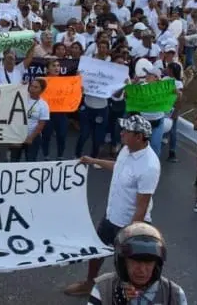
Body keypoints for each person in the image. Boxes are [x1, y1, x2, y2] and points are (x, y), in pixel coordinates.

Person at [64, 115, 161, 297]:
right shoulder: (127, 149)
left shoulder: (149, 166)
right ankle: (89, 284)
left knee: (125, 262)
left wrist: (131, 233)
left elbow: (142, 205)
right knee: (96, 252)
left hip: (129, 223)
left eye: (126, 131)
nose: (122, 133)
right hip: (111, 216)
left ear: (139, 137)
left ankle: (127, 295)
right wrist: (94, 161)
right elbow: (119, 166)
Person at [87, 223, 187, 305]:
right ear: (123, 263)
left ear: (157, 264)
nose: (142, 270)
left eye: (148, 262)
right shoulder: (104, 289)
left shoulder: (174, 294)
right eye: (136, 261)